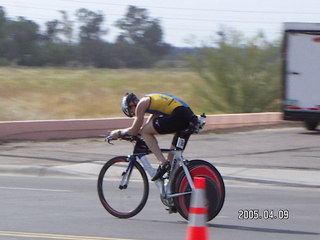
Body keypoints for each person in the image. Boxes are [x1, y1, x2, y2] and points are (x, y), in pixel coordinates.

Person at [109, 92, 195, 181]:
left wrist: (118, 132)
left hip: (179, 114)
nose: (134, 113)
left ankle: (163, 163)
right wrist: (138, 132)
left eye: (131, 111)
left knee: (146, 132)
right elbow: (143, 128)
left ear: (132, 104)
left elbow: (135, 130)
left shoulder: (142, 104)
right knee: (172, 161)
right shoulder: (152, 104)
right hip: (188, 117)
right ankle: (175, 183)